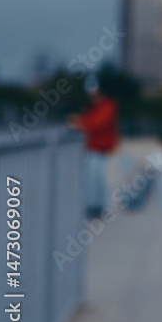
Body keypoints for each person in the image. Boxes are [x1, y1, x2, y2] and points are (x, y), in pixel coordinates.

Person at [67, 73, 120, 219]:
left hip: (103, 150)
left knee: (102, 181)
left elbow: (98, 124)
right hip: (93, 148)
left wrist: (80, 124)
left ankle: (103, 209)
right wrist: (80, 120)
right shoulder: (94, 107)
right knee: (91, 180)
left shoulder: (108, 105)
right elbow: (90, 121)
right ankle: (93, 207)